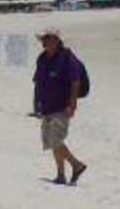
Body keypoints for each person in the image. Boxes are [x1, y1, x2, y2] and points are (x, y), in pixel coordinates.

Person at [33, 29, 87, 184]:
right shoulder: (42, 58)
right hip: (47, 105)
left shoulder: (67, 58)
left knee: (55, 140)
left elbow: (75, 81)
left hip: (62, 106)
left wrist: (72, 104)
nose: (45, 43)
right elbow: (37, 82)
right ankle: (61, 175)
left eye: (48, 39)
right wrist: (36, 103)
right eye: (44, 40)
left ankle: (76, 165)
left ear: (57, 41)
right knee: (51, 141)